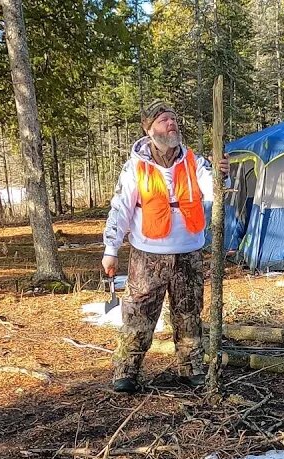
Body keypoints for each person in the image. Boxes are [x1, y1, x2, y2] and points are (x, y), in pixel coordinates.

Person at [102, 100, 226, 393]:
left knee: (188, 314)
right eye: (163, 120)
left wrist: (223, 173)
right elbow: (120, 208)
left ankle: (191, 368)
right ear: (148, 129)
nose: (171, 124)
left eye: (173, 119)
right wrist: (111, 250)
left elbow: (213, 190)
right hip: (148, 255)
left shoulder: (194, 161)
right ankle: (127, 372)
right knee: (138, 315)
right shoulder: (136, 166)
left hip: (189, 253)